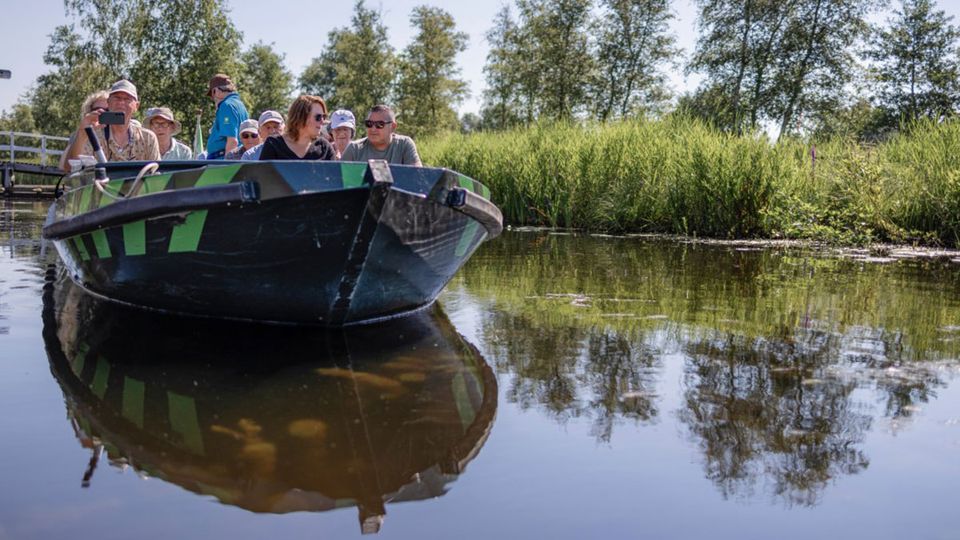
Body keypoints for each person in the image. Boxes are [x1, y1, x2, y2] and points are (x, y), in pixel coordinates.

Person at [64, 79, 161, 165]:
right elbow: (71, 168)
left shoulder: (148, 138)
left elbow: (157, 176)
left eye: (127, 99)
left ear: (136, 106)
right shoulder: (93, 135)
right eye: (117, 98)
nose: (121, 103)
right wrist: (82, 132)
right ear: (108, 102)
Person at [258, 95, 335, 161]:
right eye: (318, 117)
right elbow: (263, 177)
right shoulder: (273, 144)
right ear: (301, 117)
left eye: (323, 117)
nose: (322, 121)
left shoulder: (325, 148)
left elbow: (335, 178)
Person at [340, 104, 421, 166]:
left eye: (380, 124)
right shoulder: (354, 149)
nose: (373, 129)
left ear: (392, 127)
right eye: (369, 124)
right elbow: (339, 180)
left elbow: (417, 177)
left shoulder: (404, 145)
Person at [59, 90, 109, 171]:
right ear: (89, 112)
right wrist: (83, 134)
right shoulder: (80, 134)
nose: (102, 113)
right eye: (97, 110)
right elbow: (66, 167)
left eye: (107, 110)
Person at [204, 73, 248, 159]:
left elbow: (232, 141)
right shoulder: (240, 105)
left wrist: (226, 165)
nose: (213, 99)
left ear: (215, 91)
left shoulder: (226, 106)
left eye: (212, 94)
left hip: (222, 159)